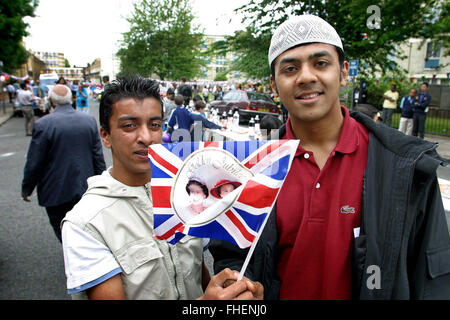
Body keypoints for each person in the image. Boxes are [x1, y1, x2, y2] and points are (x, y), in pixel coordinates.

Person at [209, 14, 450, 300]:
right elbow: (232, 256)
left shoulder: (405, 165)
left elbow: (432, 280)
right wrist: (236, 287)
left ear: (344, 72)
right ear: (274, 85)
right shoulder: (249, 170)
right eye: (290, 68)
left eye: (320, 63)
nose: (307, 77)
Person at [61, 75, 263, 300]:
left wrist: (226, 292)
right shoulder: (85, 222)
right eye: (129, 126)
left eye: (154, 125)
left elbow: (195, 271)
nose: (146, 137)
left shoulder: (184, 193)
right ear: (105, 136)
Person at [21, 84, 106, 242]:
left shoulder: (43, 125)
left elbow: (35, 161)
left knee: (61, 228)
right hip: (85, 187)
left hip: (56, 190)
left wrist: (27, 188)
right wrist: (103, 184)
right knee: (86, 226)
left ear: (51, 101)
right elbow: (98, 157)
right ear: (71, 99)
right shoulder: (88, 121)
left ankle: (73, 254)